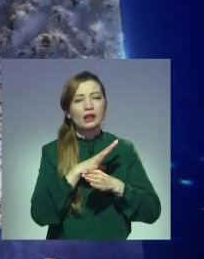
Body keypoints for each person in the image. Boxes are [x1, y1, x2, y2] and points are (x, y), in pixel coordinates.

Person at [29, 70, 160, 239]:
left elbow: (153, 211)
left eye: (96, 97)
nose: (88, 106)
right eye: (78, 100)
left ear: (105, 106)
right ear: (68, 112)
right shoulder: (52, 152)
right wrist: (75, 173)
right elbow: (40, 215)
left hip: (114, 257)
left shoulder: (124, 150)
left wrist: (118, 187)